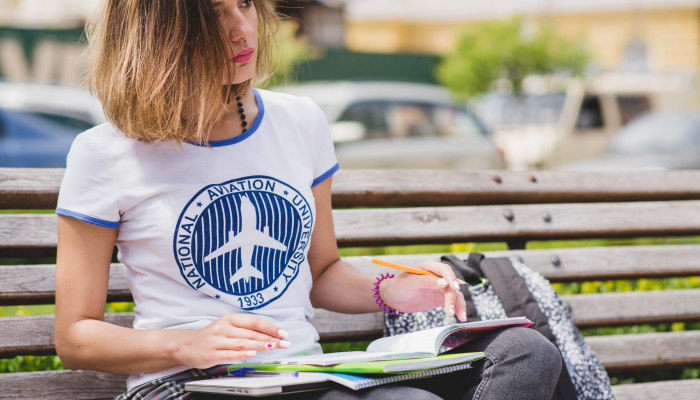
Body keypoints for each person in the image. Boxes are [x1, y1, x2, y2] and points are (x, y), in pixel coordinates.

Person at [54, 1, 563, 399]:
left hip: (304, 376)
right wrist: (184, 344)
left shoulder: (299, 122)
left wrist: (396, 290)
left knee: (524, 354)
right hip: (185, 384)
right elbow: (75, 336)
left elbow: (323, 275)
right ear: (158, 32)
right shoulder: (106, 153)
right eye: (214, 14)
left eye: (246, 4)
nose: (242, 29)